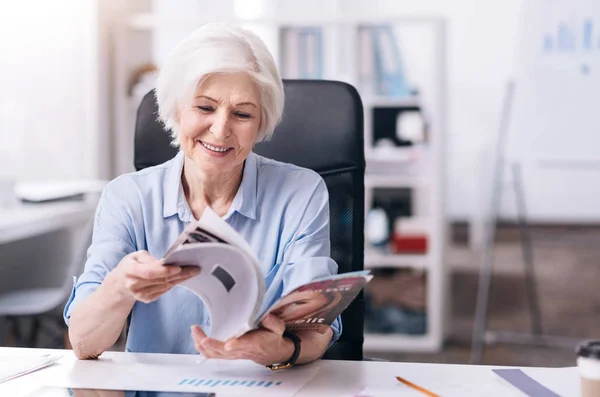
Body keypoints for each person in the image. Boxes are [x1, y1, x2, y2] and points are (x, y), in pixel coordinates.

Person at [64, 22, 341, 368]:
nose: (221, 129)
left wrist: (283, 350)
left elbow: (316, 328)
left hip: (260, 388)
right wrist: (120, 287)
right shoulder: (127, 197)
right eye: (205, 108)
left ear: (261, 122)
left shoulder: (301, 193)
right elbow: (84, 342)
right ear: (177, 109)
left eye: (242, 114)